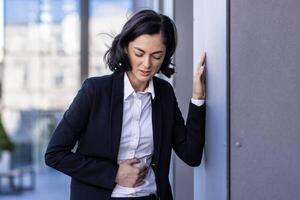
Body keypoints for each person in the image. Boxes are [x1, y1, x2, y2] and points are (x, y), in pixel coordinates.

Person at [45, 9, 206, 200]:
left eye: (156, 56)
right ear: (125, 48)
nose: (147, 64)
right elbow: (55, 154)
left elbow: (191, 155)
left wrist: (198, 98)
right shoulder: (95, 91)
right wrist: (114, 174)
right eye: (139, 53)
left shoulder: (164, 93)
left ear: (165, 55)